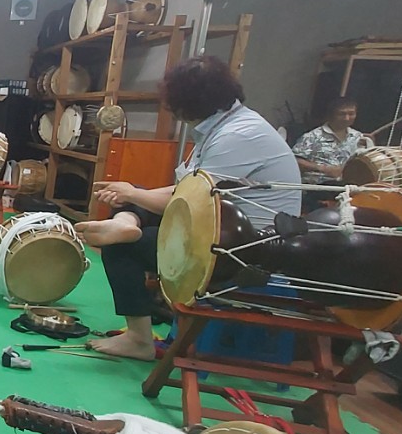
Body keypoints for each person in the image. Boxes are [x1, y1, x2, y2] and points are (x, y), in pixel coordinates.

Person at [73, 56, 301, 361]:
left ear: (187, 105)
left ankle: (139, 340)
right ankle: (126, 223)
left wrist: (133, 195)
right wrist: (131, 194)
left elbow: (191, 203)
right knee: (135, 195)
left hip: (240, 252)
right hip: (218, 228)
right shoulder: (228, 125)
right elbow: (187, 191)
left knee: (121, 247)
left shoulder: (237, 136)